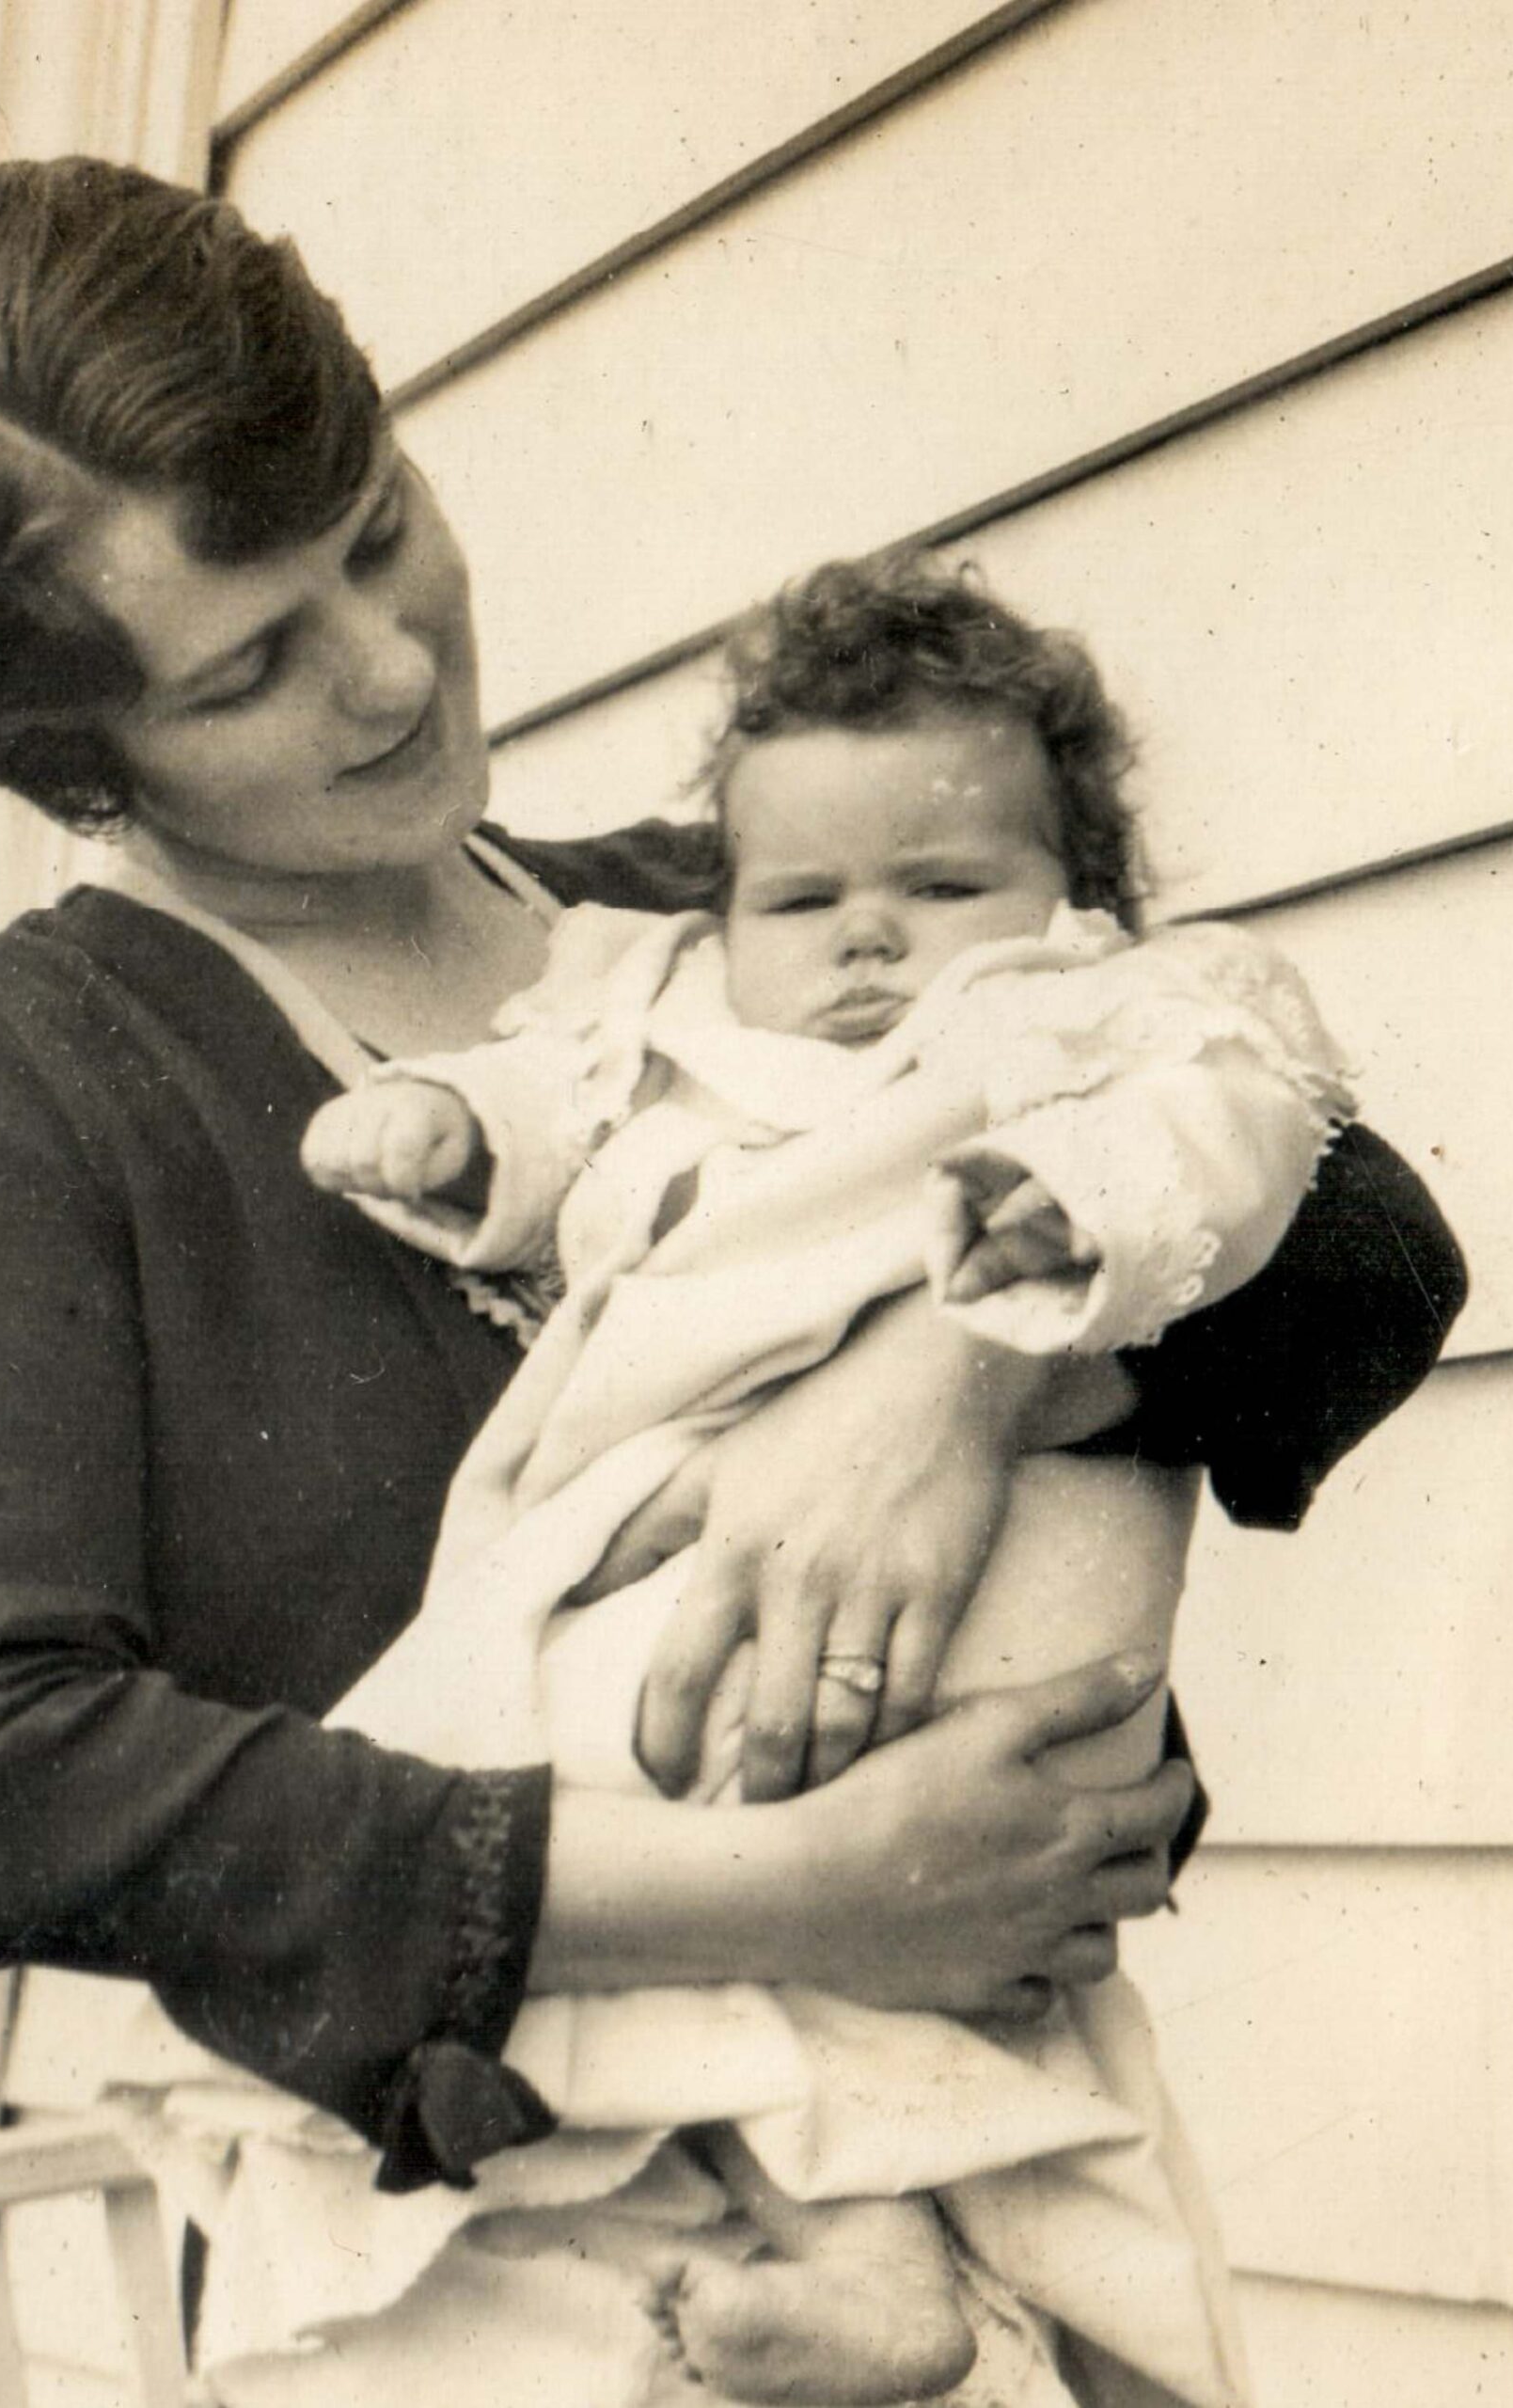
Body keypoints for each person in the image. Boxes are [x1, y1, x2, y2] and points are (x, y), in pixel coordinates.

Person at [0, 158, 1465, 2408]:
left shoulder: (734, 914)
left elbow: (1353, 1230)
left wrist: (949, 1395)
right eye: (250, 666)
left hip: (933, 2192)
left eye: (375, 527)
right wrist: (792, 1885)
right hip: (469, 2278)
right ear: (70, 756)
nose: (386, 669)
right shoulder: (3, 1082)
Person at [204, 553, 1349, 2408]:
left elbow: (1250, 1115)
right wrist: (453, 1127)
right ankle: (871, 2257)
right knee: (741, 1925)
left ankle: (919, 2265)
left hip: (997, 1583)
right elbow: (556, 1105)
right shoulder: (671, 1021)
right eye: (802, 897)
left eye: (942, 884)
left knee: (835, 1911)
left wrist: (1053, 1240)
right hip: (695, 1570)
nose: (865, 943)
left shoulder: (1102, 1014)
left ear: (1079, 894)